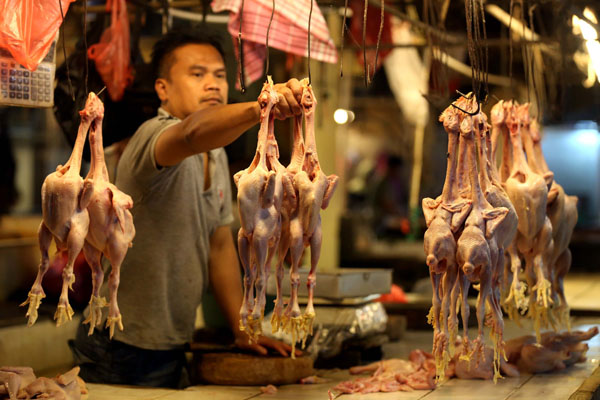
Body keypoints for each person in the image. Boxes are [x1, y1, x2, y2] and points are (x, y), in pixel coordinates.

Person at [70, 28, 303, 388]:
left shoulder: (216, 152)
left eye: (220, 75)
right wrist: (261, 107)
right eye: (197, 74)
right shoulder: (154, 134)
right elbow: (191, 133)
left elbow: (220, 245)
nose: (213, 84)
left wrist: (243, 330)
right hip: (119, 346)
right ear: (163, 88)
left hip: (173, 344)